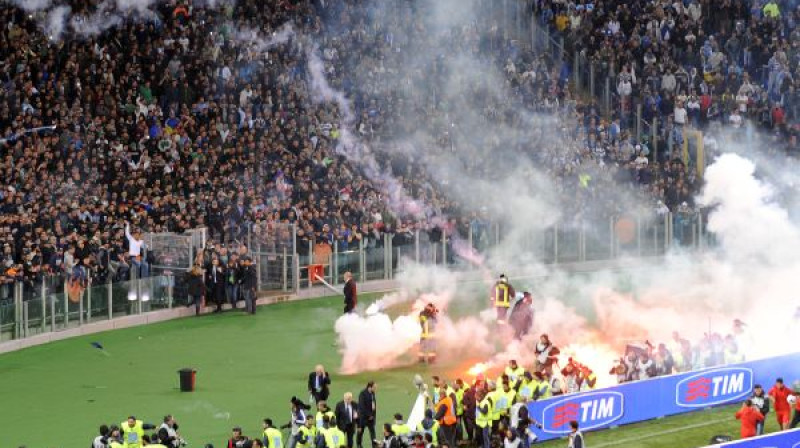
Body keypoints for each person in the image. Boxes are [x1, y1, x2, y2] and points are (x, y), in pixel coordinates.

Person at [357, 381, 377, 448]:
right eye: (374, 387)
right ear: (369, 387)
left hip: (371, 418)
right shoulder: (362, 394)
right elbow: (361, 407)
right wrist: (369, 415)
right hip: (363, 418)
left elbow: (373, 404)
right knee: (360, 433)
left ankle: (374, 446)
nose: (375, 389)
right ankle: (359, 445)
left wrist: (373, 416)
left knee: (373, 433)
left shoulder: (373, 393)